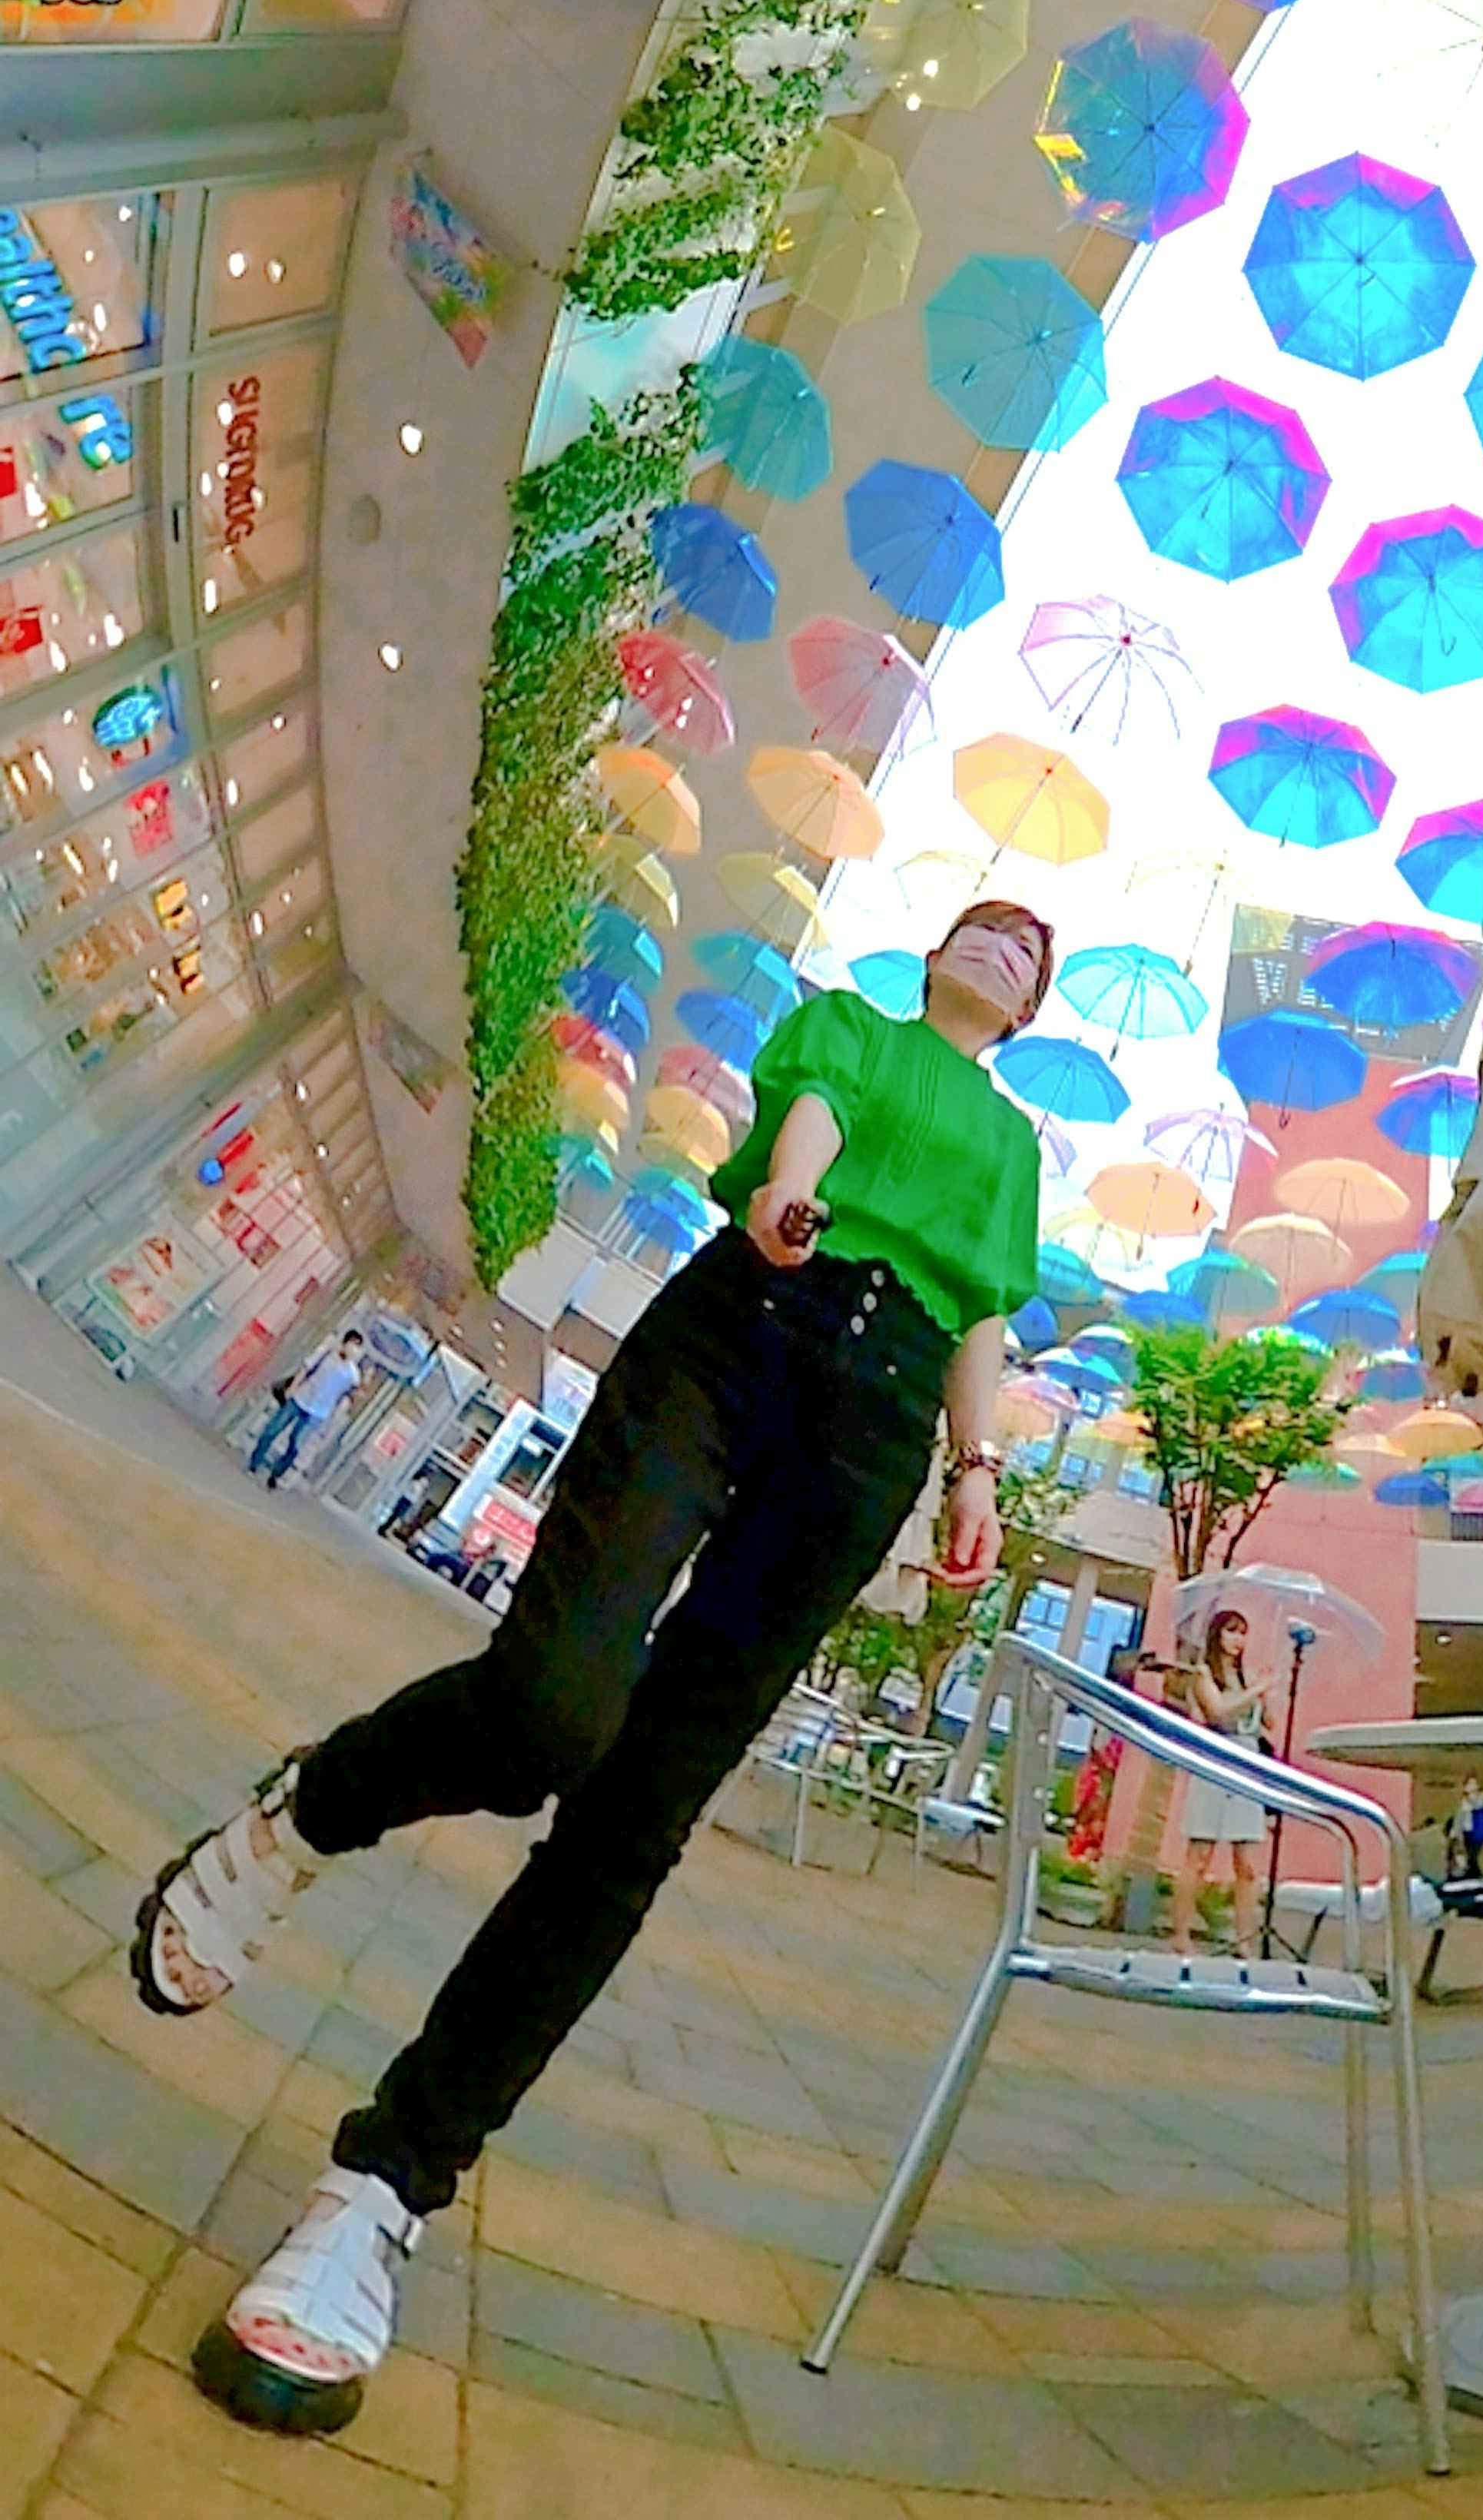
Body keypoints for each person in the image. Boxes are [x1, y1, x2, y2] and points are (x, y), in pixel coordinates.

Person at [131, 898, 1056, 2440]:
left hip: (876, 1434)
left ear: (1029, 1010)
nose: (1007, 947)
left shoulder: (1016, 1147)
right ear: (933, 955)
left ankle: (383, 2189)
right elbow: (809, 1112)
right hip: (748, 1312)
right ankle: (307, 1814)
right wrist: (794, 1196)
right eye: (988, 924)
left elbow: (978, 1311)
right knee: (555, 1703)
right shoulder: (855, 1030)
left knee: (636, 1821)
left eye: (1034, 951)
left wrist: (975, 1469)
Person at [1167, 1605, 1269, 1954]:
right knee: (1200, 1853)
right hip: (1215, 1761)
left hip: (1246, 1761)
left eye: (1242, 1633)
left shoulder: (1247, 1676)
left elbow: (1265, 1725)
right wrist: (1253, 1693)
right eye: (1231, 1631)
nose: (1237, 1640)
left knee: (1247, 1862)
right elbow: (1219, 1713)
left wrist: (1263, 1693)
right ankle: (1180, 1934)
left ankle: (1244, 1940)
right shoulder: (1202, 1673)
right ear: (1217, 1635)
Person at [250, 1333, 365, 1489]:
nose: (353, 1348)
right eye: (352, 1343)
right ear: (344, 1343)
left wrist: (340, 1410)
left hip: (318, 1413)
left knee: (295, 1445)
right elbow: (306, 1368)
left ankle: (276, 1473)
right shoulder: (327, 1353)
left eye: (357, 1346)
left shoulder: (353, 1374)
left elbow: (350, 1394)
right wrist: (292, 1388)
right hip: (300, 1398)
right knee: (272, 1429)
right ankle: (255, 1462)